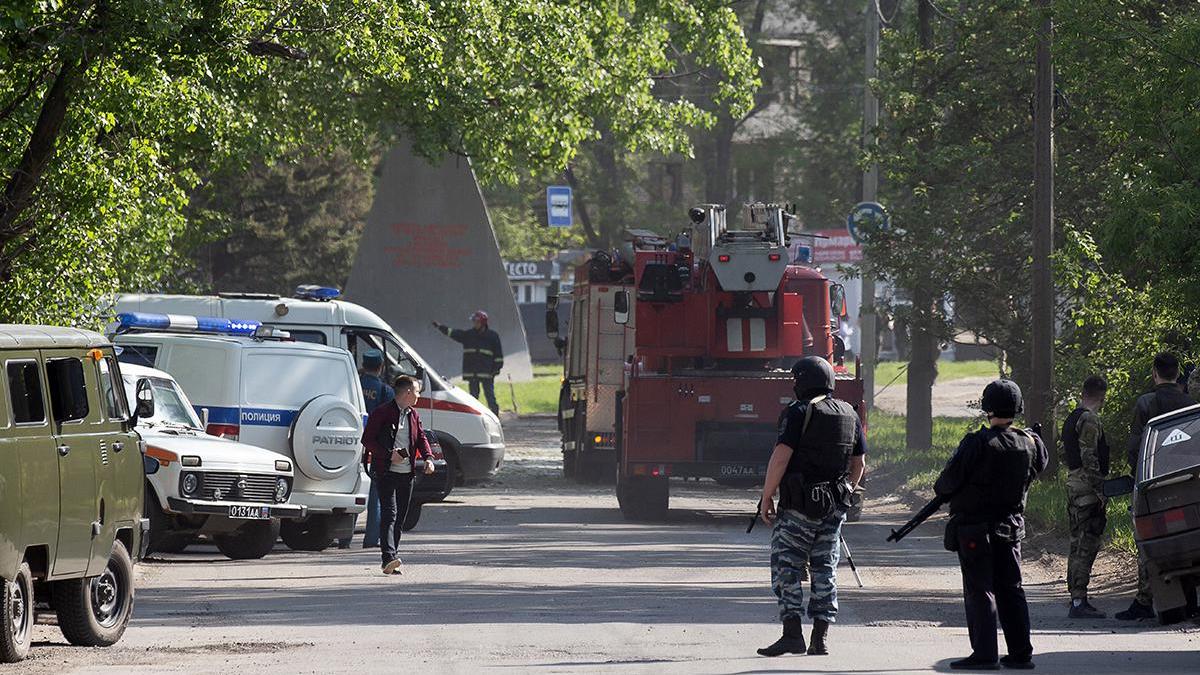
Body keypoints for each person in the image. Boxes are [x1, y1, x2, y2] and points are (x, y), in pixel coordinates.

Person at [756, 356, 867, 658]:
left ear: (804, 381)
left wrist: (767, 497)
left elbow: (781, 457)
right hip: (833, 509)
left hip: (798, 509)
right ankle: (821, 638)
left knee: (786, 567)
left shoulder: (798, 412)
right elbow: (859, 464)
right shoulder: (849, 414)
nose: (793, 384)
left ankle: (792, 634)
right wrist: (845, 492)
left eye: (796, 379)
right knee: (825, 569)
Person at [934, 379, 1048, 671]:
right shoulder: (1031, 442)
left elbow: (945, 484)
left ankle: (985, 654)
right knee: (1012, 588)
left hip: (975, 530)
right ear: (1018, 407)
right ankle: (1021, 653)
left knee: (980, 589)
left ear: (986, 408)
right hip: (1011, 527)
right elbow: (1039, 466)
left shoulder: (976, 443)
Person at [1115, 352, 1195, 620]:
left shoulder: (1146, 403)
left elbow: (1136, 446)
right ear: (1177, 373)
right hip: (1192, 482)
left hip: (1156, 485)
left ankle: (1144, 601)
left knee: (1148, 545)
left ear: (1155, 373)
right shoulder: (1191, 402)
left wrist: (1137, 476)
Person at [361, 375, 435, 575]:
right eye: (417, 391)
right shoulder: (382, 413)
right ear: (408, 392)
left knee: (400, 516)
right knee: (389, 514)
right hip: (386, 472)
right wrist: (388, 455)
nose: (419, 395)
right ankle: (388, 558)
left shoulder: (413, 414)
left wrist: (428, 457)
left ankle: (393, 556)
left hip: (406, 473)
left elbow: (420, 437)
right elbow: (367, 440)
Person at [1062, 375, 1110, 618]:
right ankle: (1079, 601)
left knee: (1076, 543)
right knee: (1087, 543)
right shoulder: (1089, 419)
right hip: (1086, 488)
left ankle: (1076, 597)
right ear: (1101, 395)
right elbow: (1089, 456)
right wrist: (1100, 489)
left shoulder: (1072, 418)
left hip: (1073, 484)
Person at [433, 310, 504, 415]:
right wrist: (440, 327)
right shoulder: (468, 335)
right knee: (473, 398)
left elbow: (498, 356)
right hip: (473, 373)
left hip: (487, 374)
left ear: (483, 322)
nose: (474, 323)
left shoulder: (492, 336)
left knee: (490, 397)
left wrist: (496, 370)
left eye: (476, 321)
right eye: (474, 321)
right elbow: (453, 333)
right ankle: (474, 417)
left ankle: (495, 416)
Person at [359, 349, 395, 550]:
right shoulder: (385, 391)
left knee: (354, 489)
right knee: (376, 494)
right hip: (374, 447)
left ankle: (345, 538)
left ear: (364, 365)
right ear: (380, 367)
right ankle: (371, 539)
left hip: (352, 444)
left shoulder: (353, 384)